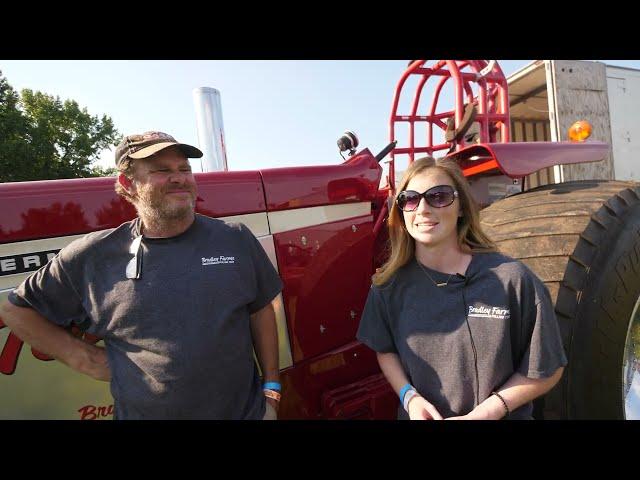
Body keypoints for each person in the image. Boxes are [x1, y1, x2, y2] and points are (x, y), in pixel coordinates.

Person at [0, 131, 283, 420]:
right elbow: (15, 310)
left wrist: (271, 391)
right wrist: (83, 358)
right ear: (127, 183)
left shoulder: (234, 238)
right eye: (162, 170)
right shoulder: (93, 255)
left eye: (184, 169)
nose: (179, 178)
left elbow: (260, 311)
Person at [356, 156, 567, 420]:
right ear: (401, 212)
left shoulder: (512, 280)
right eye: (410, 199)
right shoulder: (387, 287)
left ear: (461, 208)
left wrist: (489, 412)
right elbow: (385, 349)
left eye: (439, 196)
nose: (422, 209)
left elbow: (548, 368)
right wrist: (409, 397)